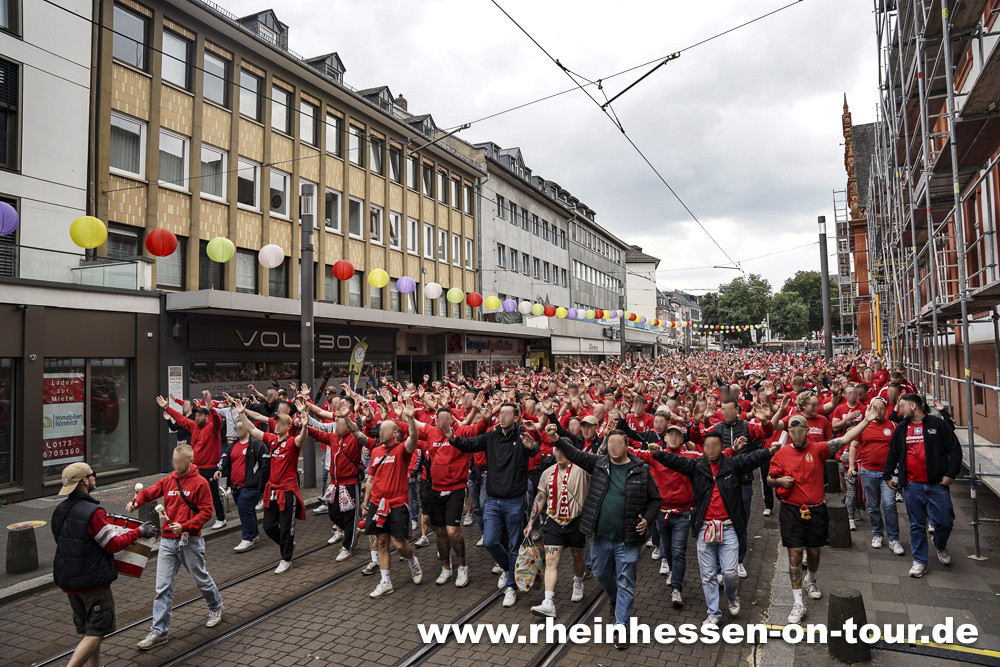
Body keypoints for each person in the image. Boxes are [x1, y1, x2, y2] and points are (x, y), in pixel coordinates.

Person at [651, 431, 779, 630]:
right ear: (704, 448)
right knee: (708, 575)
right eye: (707, 446)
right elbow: (675, 461)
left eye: (715, 446)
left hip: (728, 528)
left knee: (730, 573)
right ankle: (713, 613)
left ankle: (732, 596)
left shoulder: (732, 465)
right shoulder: (696, 466)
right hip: (705, 529)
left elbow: (751, 458)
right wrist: (659, 454)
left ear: (722, 448)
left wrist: (768, 452)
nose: (711, 450)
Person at [550, 429, 661, 650]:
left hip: (627, 539)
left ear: (626, 445)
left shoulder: (641, 470)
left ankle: (621, 628)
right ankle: (615, 597)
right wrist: (556, 439)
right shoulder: (599, 464)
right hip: (601, 537)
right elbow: (574, 453)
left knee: (626, 581)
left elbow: (656, 501)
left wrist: (647, 520)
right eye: (609, 443)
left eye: (617, 443)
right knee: (600, 573)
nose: (612, 448)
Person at [52, 462, 156, 667]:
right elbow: (112, 545)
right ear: (85, 481)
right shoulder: (94, 512)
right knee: (98, 631)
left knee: (88, 630)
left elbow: (61, 541)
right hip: (93, 582)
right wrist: (139, 532)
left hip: (70, 582)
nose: (95, 478)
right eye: (93, 475)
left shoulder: (59, 510)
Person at [444, 402, 539, 608]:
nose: (501, 417)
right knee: (489, 541)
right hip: (494, 500)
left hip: (514, 501)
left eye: (506, 414)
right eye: (500, 413)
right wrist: (452, 438)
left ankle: (512, 586)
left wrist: (532, 446)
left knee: (515, 545)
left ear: (516, 418)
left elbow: (534, 449)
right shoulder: (491, 436)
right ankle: (507, 568)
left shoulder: (522, 436)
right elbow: (469, 444)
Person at [128, 444, 223, 650]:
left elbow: (207, 513)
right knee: (162, 587)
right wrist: (136, 501)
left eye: (179, 462)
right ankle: (159, 631)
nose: (175, 465)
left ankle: (215, 605)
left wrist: (185, 526)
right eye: (174, 460)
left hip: (190, 540)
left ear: (190, 461)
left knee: (200, 578)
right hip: (168, 541)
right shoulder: (169, 480)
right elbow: (149, 493)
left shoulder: (200, 483)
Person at [767, 416, 853, 624]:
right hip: (791, 511)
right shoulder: (782, 452)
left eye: (800, 431)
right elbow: (770, 479)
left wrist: (867, 420)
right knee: (795, 554)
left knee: (813, 553)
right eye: (792, 431)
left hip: (815, 511)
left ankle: (811, 579)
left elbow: (845, 439)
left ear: (807, 431)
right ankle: (798, 603)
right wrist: (779, 481)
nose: (796, 435)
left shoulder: (818, 449)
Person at [884, 393, 962, 578]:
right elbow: (893, 453)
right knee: (917, 525)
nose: (899, 410)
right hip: (912, 486)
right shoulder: (901, 429)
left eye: (902, 406)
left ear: (913, 407)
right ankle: (919, 561)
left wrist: (951, 475)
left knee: (945, 521)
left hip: (937, 485)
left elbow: (955, 449)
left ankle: (940, 544)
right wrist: (888, 475)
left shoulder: (937, 424)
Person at [630, 424, 699, 608]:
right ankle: (672, 571)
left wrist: (734, 450)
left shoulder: (690, 457)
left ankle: (676, 589)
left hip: (682, 513)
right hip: (662, 513)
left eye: (678, 435)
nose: (674, 437)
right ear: (665, 438)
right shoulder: (655, 454)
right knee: (666, 549)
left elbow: (711, 458)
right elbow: (634, 454)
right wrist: (612, 439)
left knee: (678, 552)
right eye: (671, 435)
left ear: (683, 439)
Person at [525, 427, 591, 619]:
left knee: (577, 554)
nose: (559, 454)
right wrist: (531, 523)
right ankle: (548, 602)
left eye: (563, 450)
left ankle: (578, 581)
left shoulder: (581, 469)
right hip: (554, 521)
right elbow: (540, 498)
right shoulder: (547, 473)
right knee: (552, 560)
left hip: (576, 521)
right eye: (556, 450)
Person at [234, 399, 305, 574]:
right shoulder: (272, 440)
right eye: (276, 422)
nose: (276, 424)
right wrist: (242, 413)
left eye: (280, 422)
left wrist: (305, 424)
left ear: (288, 426)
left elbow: (302, 439)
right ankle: (286, 543)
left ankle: (286, 559)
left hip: (288, 491)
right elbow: (252, 429)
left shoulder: (292, 442)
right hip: (273, 490)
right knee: (268, 526)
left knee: (286, 525)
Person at [363, 405, 423, 598]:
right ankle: (386, 582)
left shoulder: (401, 449)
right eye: (379, 430)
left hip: (397, 503)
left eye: (384, 429)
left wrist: (411, 419)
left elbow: (413, 438)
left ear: (395, 433)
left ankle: (412, 559)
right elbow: (370, 479)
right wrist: (366, 503)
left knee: (399, 544)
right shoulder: (375, 451)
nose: (380, 432)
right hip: (377, 504)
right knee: (382, 542)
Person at [305, 404, 367, 560]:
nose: (335, 427)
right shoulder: (332, 437)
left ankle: (347, 547)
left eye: (338, 424)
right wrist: (305, 423)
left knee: (350, 516)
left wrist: (350, 416)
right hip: (335, 484)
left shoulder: (355, 439)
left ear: (347, 427)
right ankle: (351, 532)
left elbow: (360, 430)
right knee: (333, 513)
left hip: (350, 483)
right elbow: (317, 434)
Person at [159, 396, 226, 529]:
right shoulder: (194, 426)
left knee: (213, 493)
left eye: (200, 415)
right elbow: (180, 418)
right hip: (195, 468)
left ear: (207, 417)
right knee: (192, 494)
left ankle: (221, 518)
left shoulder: (213, 428)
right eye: (196, 415)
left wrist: (213, 410)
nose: (197, 417)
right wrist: (167, 407)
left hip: (210, 468)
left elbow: (218, 421)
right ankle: (193, 519)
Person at [846, 398, 904, 552]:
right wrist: (851, 466)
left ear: (886, 410)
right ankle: (877, 534)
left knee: (889, 504)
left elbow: (901, 450)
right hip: (868, 472)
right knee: (873, 506)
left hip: (889, 475)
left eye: (881, 408)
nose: (878, 411)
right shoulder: (863, 426)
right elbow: (853, 446)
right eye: (875, 408)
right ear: (870, 409)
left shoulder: (893, 426)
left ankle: (893, 539)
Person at [214, 418, 270, 552]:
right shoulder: (233, 445)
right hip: (236, 487)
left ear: (247, 429)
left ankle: (248, 538)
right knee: (248, 511)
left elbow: (265, 464)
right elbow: (224, 458)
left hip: (251, 486)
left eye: (240, 427)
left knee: (244, 509)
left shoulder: (256, 444)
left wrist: (260, 481)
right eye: (236, 428)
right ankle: (254, 534)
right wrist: (219, 470)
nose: (237, 430)